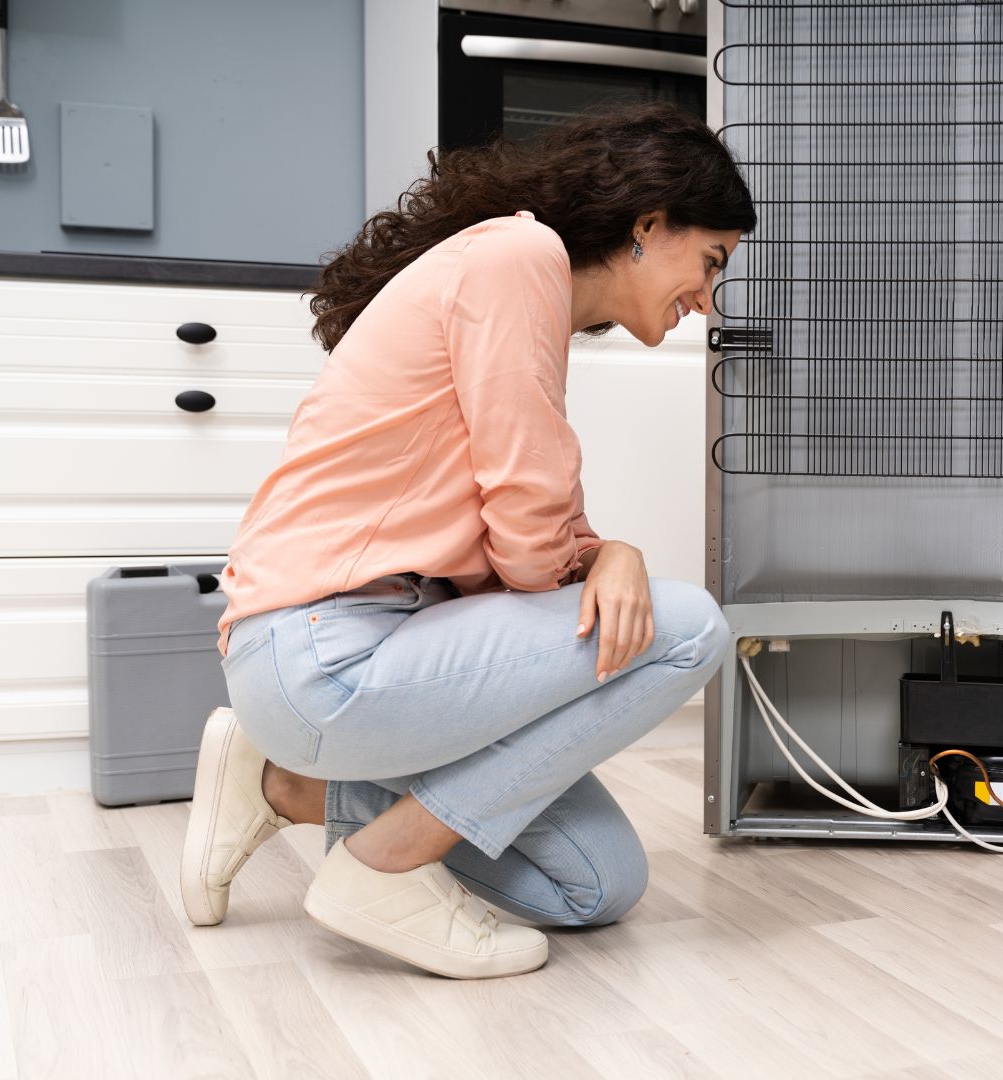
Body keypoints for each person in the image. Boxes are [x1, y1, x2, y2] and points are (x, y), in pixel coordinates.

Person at [179, 103, 755, 980]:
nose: (708, 298)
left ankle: (281, 786)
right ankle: (381, 871)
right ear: (647, 225)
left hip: (381, 643)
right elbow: (527, 539)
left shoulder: (525, 285)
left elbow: (526, 520)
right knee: (689, 629)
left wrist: (610, 553)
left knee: (595, 887)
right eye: (710, 261)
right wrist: (604, 558)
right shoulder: (519, 258)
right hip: (327, 652)